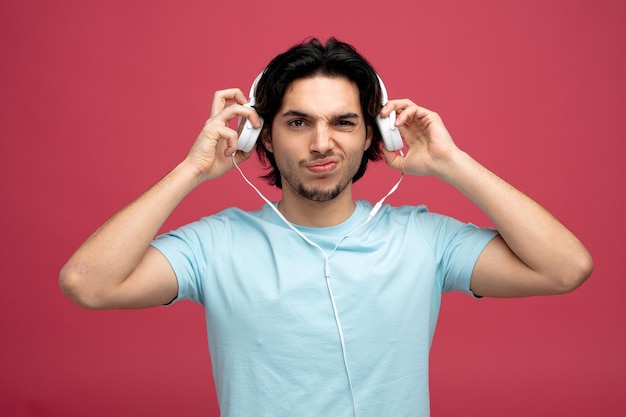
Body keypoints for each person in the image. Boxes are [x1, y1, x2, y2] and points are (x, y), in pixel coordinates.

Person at [59, 38, 593, 417]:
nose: (321, 143)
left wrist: (452, 162)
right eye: (298, 123)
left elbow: (566, 268)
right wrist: (192, 169)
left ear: (373, 137)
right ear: (261, 138)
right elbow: (88, 282)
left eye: (344, 122)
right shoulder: (215, 243)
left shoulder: (425, 239)